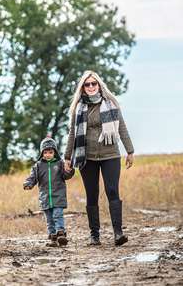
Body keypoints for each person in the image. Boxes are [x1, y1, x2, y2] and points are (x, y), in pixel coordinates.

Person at [64, 70, 134, 246]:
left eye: (93, 83)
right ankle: (94, 235)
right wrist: (67, 157)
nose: (90, 87)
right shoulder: (78, 109)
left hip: (110, 154)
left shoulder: (110, 104)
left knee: (112, 191)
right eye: (87, 84)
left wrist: (130, 151)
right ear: (82, 88)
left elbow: (122, 128)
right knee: (92, 195)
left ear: (99, 85)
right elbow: (72, 133)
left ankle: (118, 233)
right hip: (86, 157)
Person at [24, 136, 74, 247]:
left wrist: (69, 170)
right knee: (49, 220)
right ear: (42, 153)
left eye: (50, 152)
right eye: (45, 152)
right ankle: (53, 238)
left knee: (58, 215)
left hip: (58, 196)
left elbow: (66, 175)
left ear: (54, 152)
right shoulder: (38, 166)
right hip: (45, 197)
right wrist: (28, 184)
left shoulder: (60, 164)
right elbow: (33, 177)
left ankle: (61, 234)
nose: (48, 155)